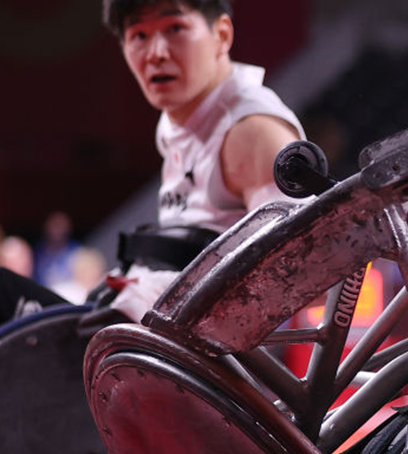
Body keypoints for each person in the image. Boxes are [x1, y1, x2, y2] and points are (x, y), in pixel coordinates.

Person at [0, 0, 303, 329]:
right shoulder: (178, 123)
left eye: (175, 28)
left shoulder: (253, 131)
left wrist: (157, 301)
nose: (156, 52)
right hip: (129, 336)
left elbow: (299, 275)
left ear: (222, 34)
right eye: (139, 35)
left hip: (161, 358)